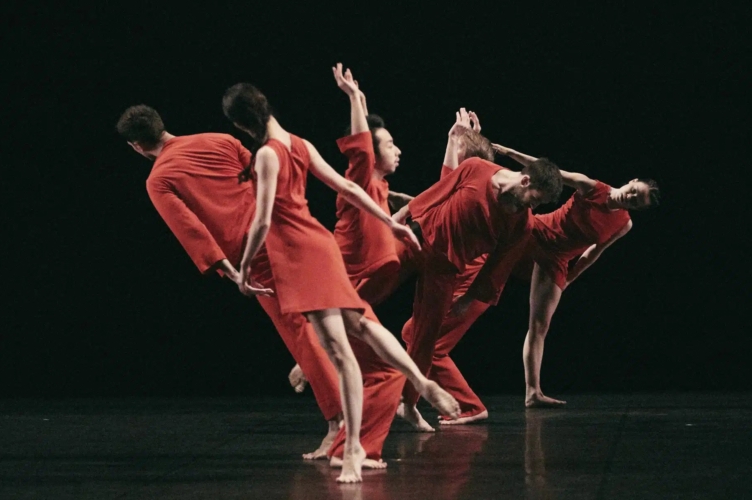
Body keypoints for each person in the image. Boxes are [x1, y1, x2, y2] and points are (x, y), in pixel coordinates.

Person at [221, 80, 460, 482]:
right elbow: (348, 185)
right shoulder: (300, 144)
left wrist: (243, 270)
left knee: (341, 352)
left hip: (298, 258)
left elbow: (262, 221)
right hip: (322, 245)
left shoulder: (266, 155)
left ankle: (351, 452)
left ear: (242, 125)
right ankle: (419, 380)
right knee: (360, 324)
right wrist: (390, 222)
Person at [115, 105, 343, 457]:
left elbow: (192, 231)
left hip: (255, 253)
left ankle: (338, 424)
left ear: (136, 146)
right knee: (328, 318)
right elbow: (265, 173)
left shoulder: (158, 178)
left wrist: (236, 272)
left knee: (298, 330)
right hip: (288, 228)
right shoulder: (220, 139)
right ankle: (360, 397)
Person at [391, 130, 563, 430]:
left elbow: (497, 268)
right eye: (536, 200)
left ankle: (408, 403)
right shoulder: (477, 169)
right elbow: (440, 189)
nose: (534, 208)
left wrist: (468, 300)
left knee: (423, 338)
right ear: (525, 180)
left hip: (447, 268)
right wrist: (400, 216)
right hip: (419, 238)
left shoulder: (521, 224)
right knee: (371, 273)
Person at [493, 144, 660, 408]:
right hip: (540, 232)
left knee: (539, 325)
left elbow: (595, 252)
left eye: (636, 202)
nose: (630, 198)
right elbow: (546, 170)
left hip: (558, 260)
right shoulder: (591, 186)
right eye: (633, 192)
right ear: (631, 181)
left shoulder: (624, 224)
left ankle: (532, 392)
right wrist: (507, 153)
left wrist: (570, 277)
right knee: (496, 233)